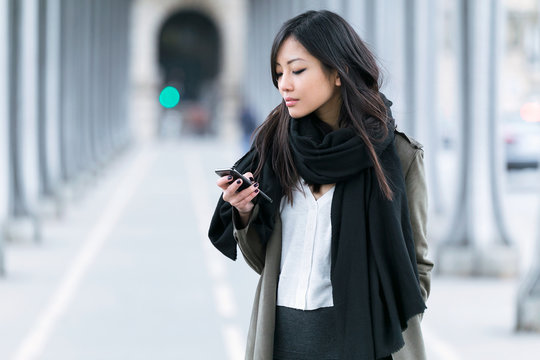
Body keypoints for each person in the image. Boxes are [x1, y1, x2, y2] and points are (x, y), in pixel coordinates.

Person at [209, 10, 433, 360]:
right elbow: (264, 262)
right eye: (279, 73)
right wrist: (244, 211)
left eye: (297, 71)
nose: (285, 84)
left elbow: (417, 265)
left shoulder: (397, 157)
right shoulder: (275, 150)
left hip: (363, 345)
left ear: (338, 73)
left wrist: (386, 319)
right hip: (280, 341)